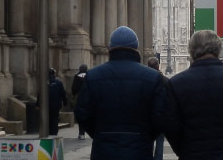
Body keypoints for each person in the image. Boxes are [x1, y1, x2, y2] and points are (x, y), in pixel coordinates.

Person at [75, 26, 168, 159]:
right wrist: (145, 136)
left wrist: (100, 134)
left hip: (103, 151)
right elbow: (161, 116)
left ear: (111, 48)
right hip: (139, 151)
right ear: (136, 48)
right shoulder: (152, 77)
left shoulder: (93, 76)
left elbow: (82, 113)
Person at [163, 30, 223, 160]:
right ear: (219, 49)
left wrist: (184, 150)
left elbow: (170, 125)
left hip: (191, 154)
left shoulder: (176, 83)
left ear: (191, 50)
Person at [147, 57, 166, 160]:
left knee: (148, 141)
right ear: (158, 66)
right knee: (160, 141)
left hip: (147, 117)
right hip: (161, 117)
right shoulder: (165, 80)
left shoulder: (144, 80)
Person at [47, 68, 67, 136]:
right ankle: (54, 132)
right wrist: (65, 102)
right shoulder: (58, 82)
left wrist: (38, 104)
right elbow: (63, 93)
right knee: (55, 118)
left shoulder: (45, 82)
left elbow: (40, 94)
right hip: (56, 104)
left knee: (48, 118)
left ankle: (49, 131)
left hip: (47, 105)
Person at [71, 64, 88, 140]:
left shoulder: (77, 76)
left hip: (79, 98)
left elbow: (74, 88)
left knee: (80, 115)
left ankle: (81, 133)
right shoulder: (90, 75)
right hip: (88, 97)